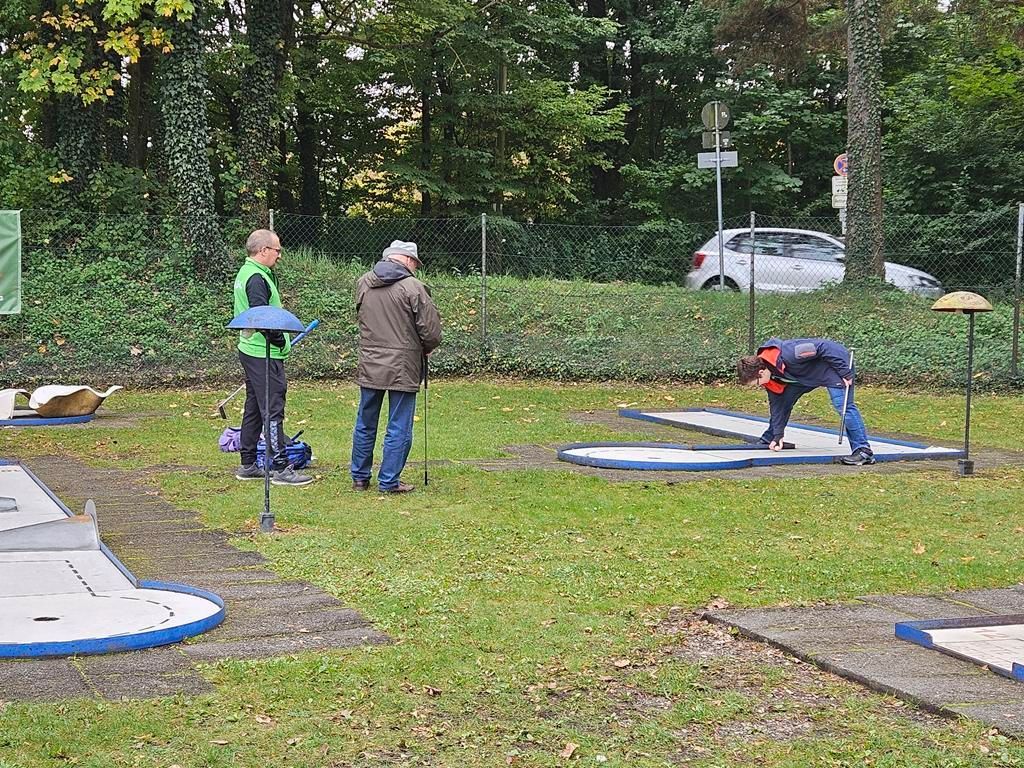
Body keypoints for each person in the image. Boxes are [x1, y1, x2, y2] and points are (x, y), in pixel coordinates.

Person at [351, 240, 442, 493]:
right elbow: (431, 330)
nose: (415, 268)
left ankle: (360, 478)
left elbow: (361, 317)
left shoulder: (363, 282)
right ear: (408, 260)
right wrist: (427, 347)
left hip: (370, 361)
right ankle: (389, 480)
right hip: (403, 364)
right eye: (415, 263)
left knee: (365, 421)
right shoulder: (414, 287)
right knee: (399, 424)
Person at [232, 229, 313, 486]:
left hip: (251, 349)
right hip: (262, 352)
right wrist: (279, 340)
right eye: (277, 250)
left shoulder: (249, 272)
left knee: (255, 408)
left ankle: (248, 464)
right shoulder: (256, 278)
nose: (279, 255)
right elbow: (262, 317)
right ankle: (280, 467)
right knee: (272, 409)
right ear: (263, 250)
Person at [736, 337, 875, 465]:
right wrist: (778, 435)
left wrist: (845, 373)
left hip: (834, 366)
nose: (759, 386)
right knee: (783, 401)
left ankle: (863, 451)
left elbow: (824, 347)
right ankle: (770, 438)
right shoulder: (770, 378)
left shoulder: (790, 354)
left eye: (757, 383)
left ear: (761, 373)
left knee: (843, 405)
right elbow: (778, 406)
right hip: (803, 378)